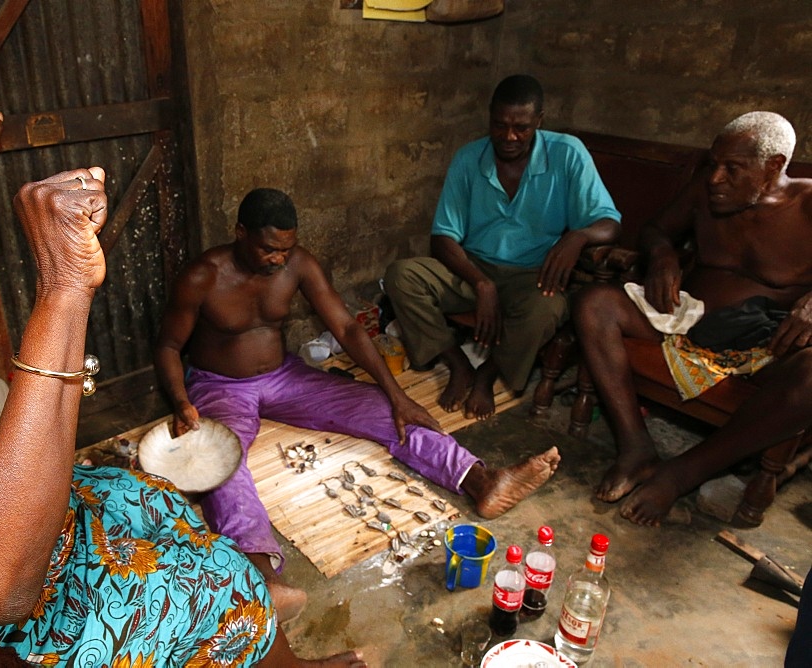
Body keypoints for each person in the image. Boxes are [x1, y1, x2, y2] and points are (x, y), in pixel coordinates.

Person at [0, 36, 365, 667]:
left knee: (148, 498)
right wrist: (64, 288)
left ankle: (265, 642)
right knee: (221, 591)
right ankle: (253, 629)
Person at [155, 187, 561, 621]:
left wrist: (397, 394)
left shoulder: (298, 263)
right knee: (221, 457)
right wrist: (181, 402)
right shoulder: (203, 276)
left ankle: (479, 480)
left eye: (286, 249)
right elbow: (168, 346)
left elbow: (347, 328)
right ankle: (261, 577)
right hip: (221, 385)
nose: (278, 259)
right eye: (268, 249)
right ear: (240, 233)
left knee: (384, 410)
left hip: (284, 376)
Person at [571, 111, 812, 526]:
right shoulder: (706, 190)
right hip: (688, 322)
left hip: (765, 346)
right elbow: (655, 228)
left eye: (732, 169)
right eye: (713, 164)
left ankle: (680, 474)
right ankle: (635, 447)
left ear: (773, 167)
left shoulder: (809, 206)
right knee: (595, 303)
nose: (716, 177)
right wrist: (662, 253)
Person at [384, 74, 621, 421]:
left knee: (547, 309)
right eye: (500, 125)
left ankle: (488, 372)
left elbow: (609, 221)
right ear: (490, 118)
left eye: (521, 128)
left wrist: (578, 236)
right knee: (402, 276)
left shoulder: (568, 154)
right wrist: (482, 284)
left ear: (539, 121)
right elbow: (442, 238)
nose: (509, 137)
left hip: (533, 275)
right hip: (473, 268)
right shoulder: (468, 159)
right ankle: (458, 363)